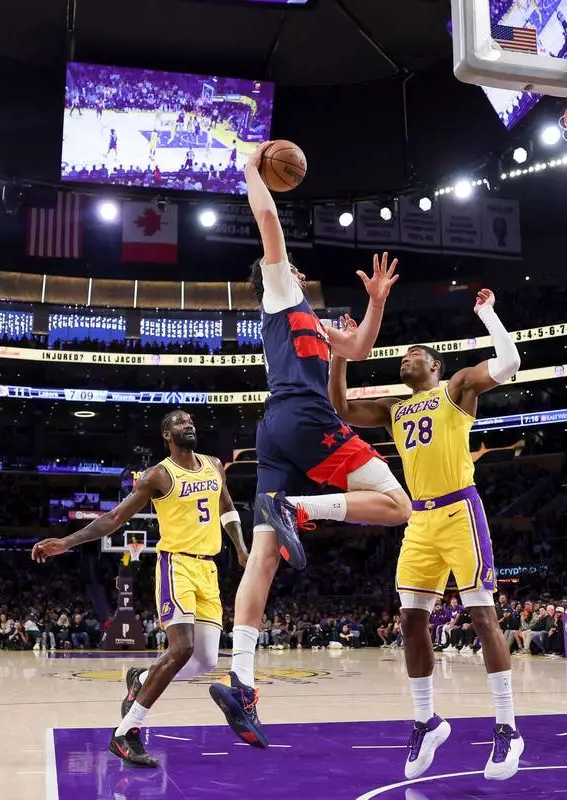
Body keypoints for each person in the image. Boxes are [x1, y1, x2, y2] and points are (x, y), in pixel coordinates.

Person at [216, 142, 412, 750]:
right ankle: (299, 508)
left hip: (274, 430)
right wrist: (250, 167)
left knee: (263, 558)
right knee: (398, 505)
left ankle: (242, 683)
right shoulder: (279, 290)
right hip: (303, 418)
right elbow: (268, 219)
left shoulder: (311, 321)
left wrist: (376, 304)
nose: (297, 271)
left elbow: (359, 349)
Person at [328, 287, 524, 781]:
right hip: (420, 519)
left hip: (460, 510)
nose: (405, 358)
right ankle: (427, 721)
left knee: (482, 616)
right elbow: (342, 408)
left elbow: (510, 362)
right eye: (402, 355)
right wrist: (340, 353)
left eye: (414, 353)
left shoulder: (456, 389)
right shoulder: (395, 408)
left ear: (434, 366)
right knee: (410, 620)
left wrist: (488, 314)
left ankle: (508, 727)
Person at [31, 409, 248, 768]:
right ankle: (125, 733)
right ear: (167, 435)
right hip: (177, 564)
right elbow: (115, 518)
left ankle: (141, 678)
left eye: (190, 421)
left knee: (207, 660)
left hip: (208, 568)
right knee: (182, 648)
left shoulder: (214, 465)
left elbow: (227, 509)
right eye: (180, 422)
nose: (188, 424)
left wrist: (240, 546)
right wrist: (66, 542)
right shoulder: (158, 475)